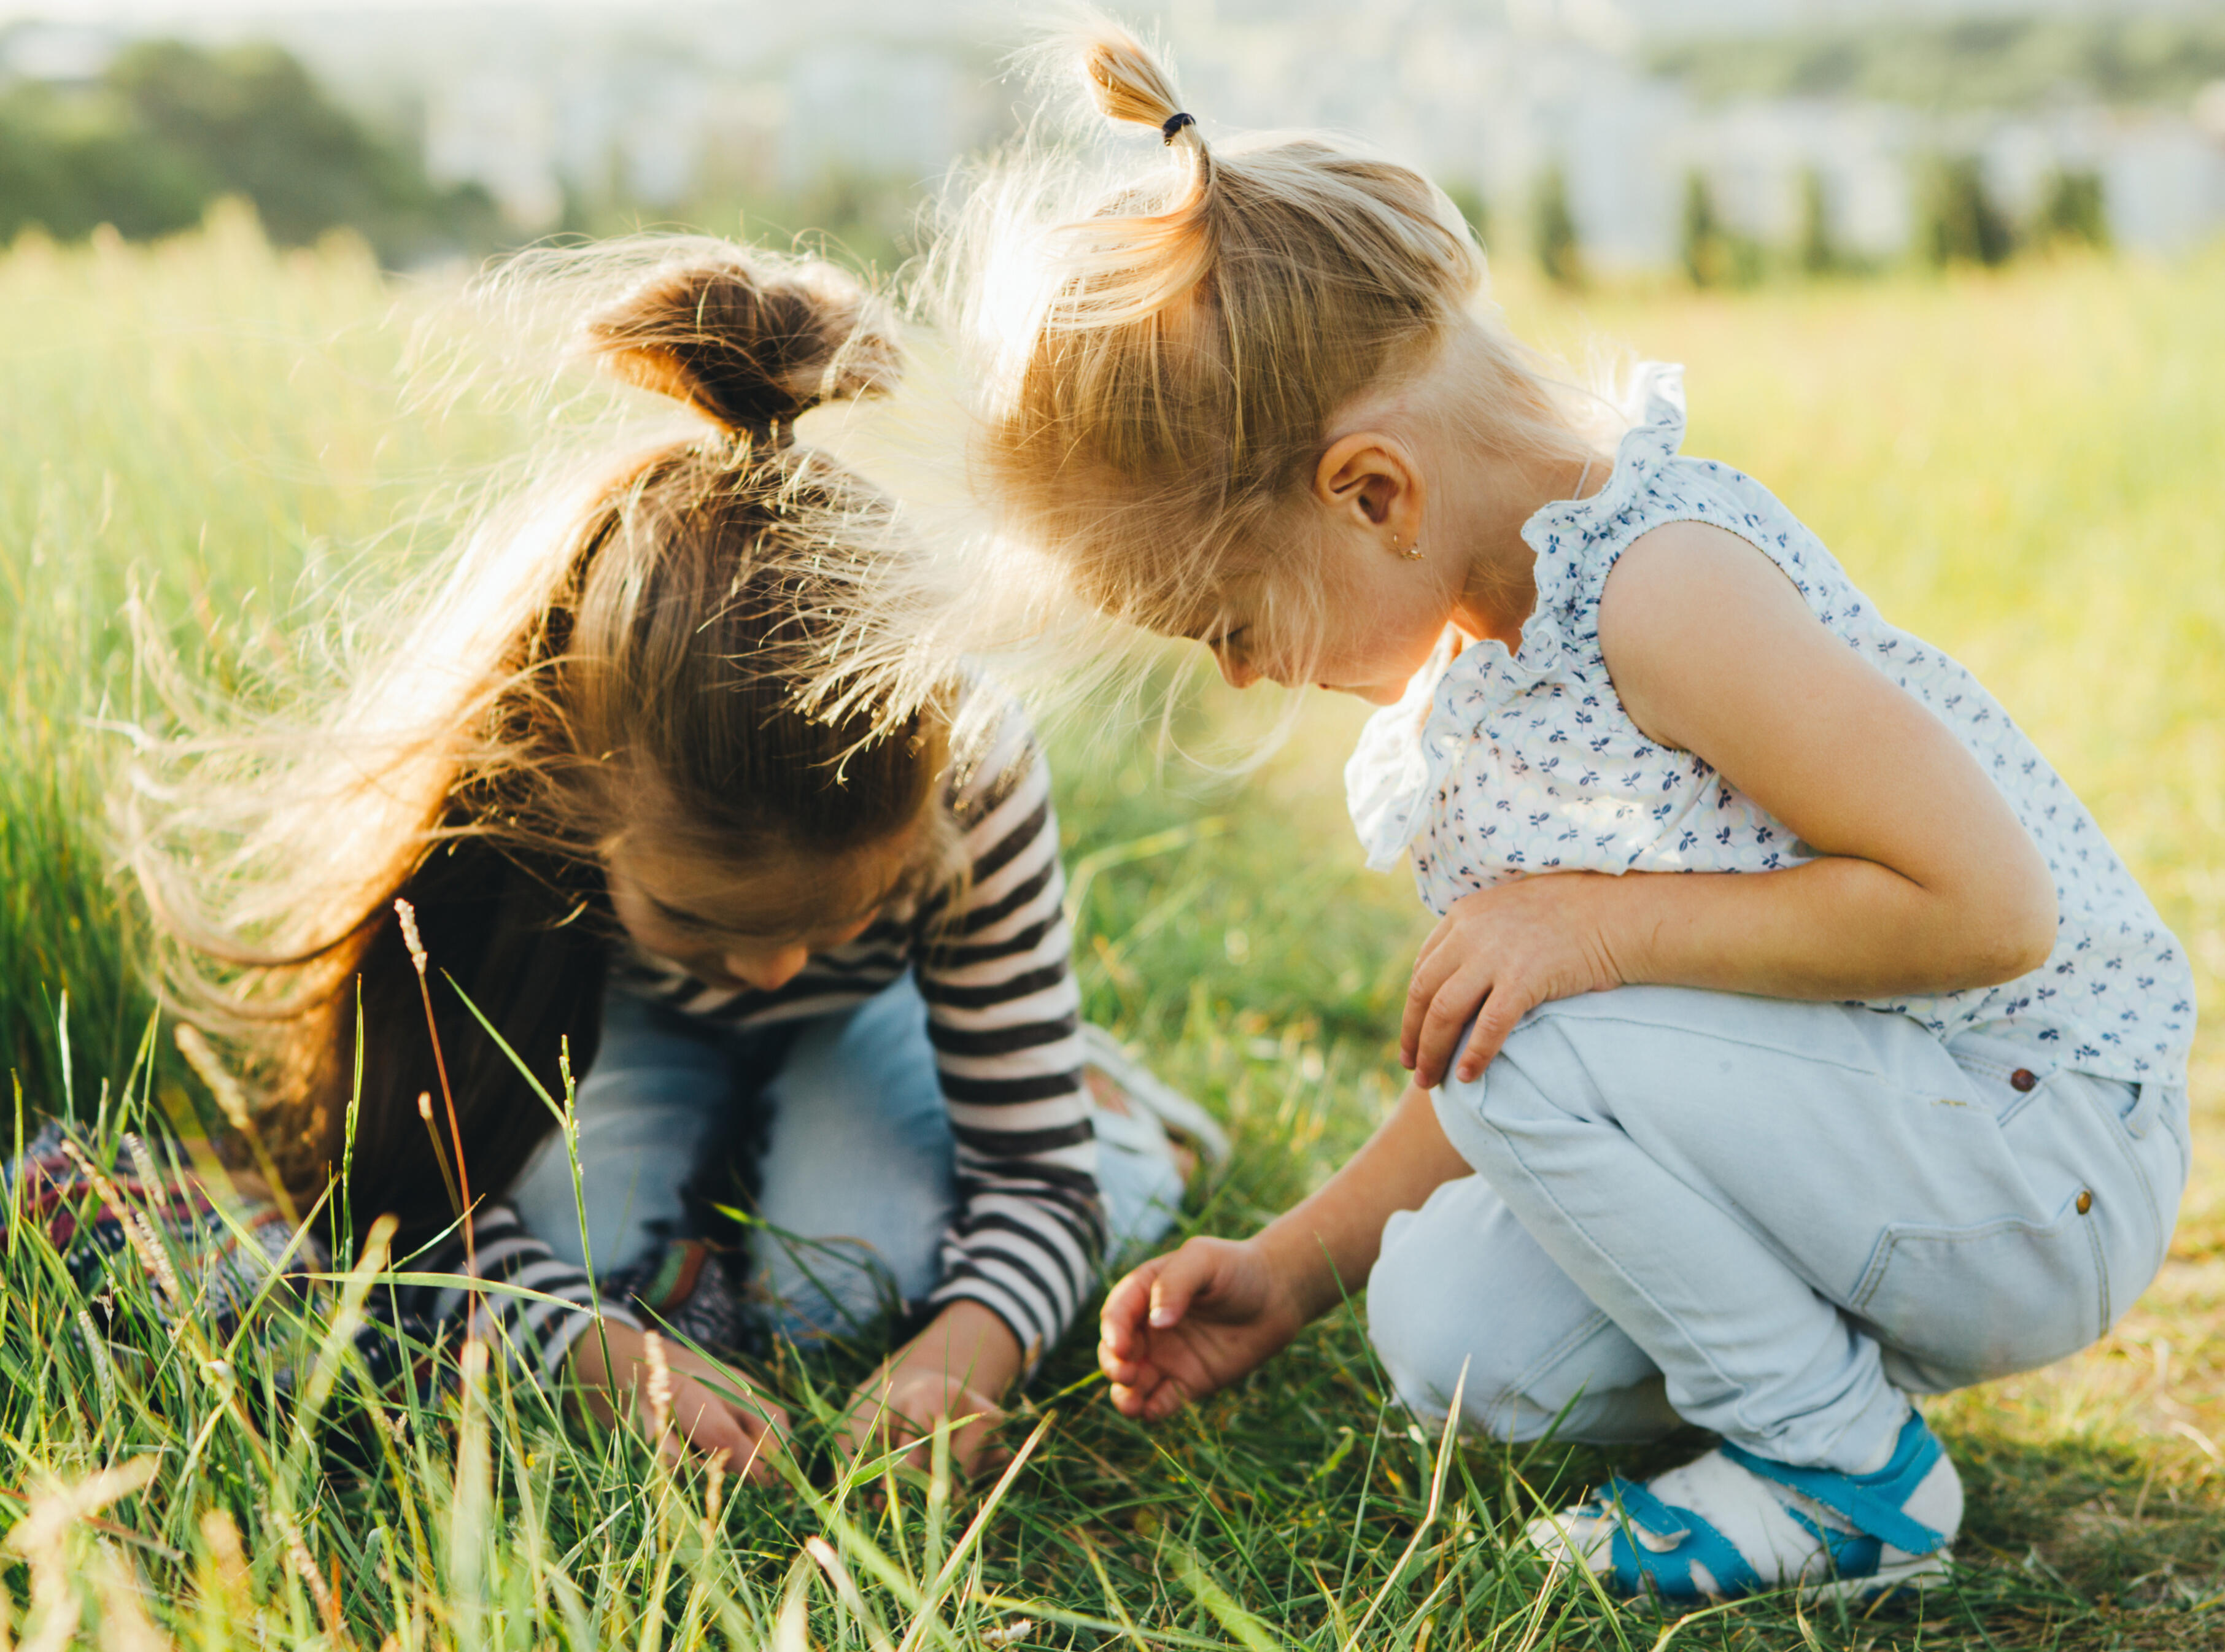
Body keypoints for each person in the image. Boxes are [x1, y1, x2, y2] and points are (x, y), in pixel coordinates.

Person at [927, 17, 2194, 1600]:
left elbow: (1986, 910)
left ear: (1372, 494)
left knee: (1535, 1005)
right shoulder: (1478, 682)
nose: (1244, 678)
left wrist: (1584, 929)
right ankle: (1818, 1386)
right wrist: (1287, 1268)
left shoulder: (1664, 588)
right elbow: (1503, 1044)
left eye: (1227, 625)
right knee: (1454, 1335)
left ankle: (1844, 1468)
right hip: (1883, 1146)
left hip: (2033, 1146)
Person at [126, 244, 1196, 1477]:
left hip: (879, 1023)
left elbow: (1032, 1183)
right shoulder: (514, 777)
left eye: (839, 911)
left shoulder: (977, 771)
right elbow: (413, 1196)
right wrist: (591, 1349)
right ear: (574, 802)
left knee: (840, 1283)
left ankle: (1123, 1121)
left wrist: (964, 1351)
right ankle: (732, 1155)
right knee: (576, 1250)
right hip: (617, 1028)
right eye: (699, 916)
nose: (771, 964)